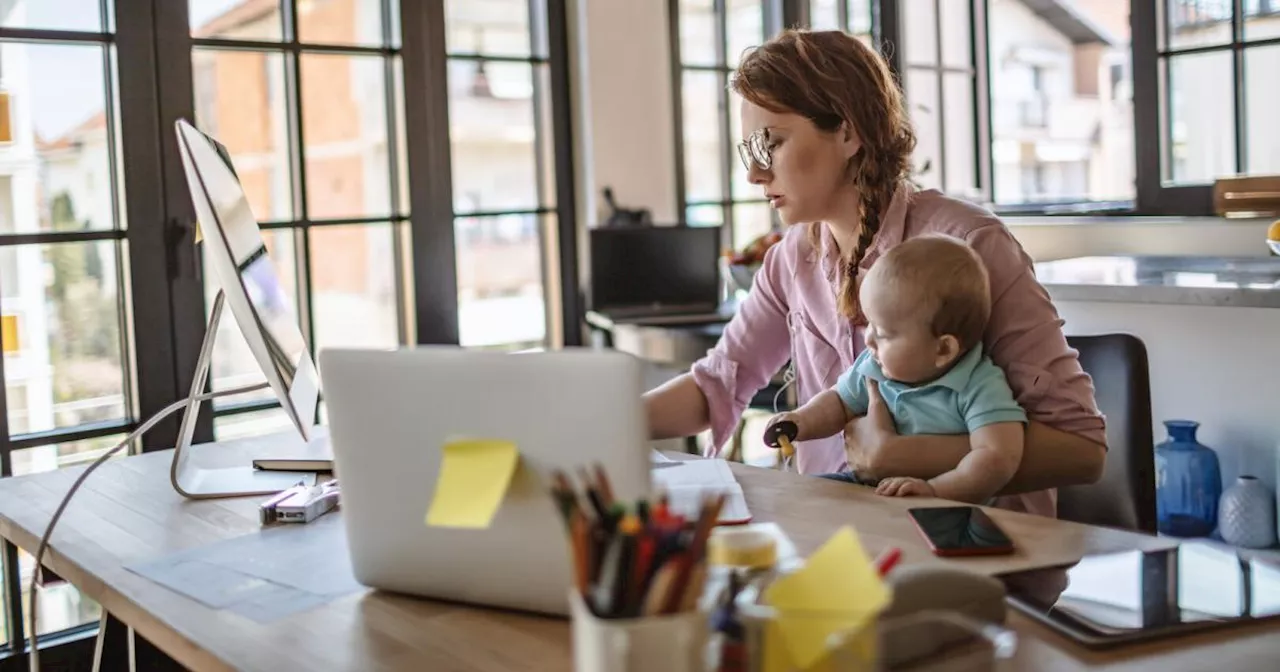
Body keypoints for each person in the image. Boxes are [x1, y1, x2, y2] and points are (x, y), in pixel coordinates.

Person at [643, 29, 1106, 517]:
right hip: (844, 540)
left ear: (847, 132)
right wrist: (600, 419)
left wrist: (903, 458)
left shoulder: (969, 246)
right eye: (750, 153)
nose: (755, 175)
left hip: (977, 556)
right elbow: (717, 383)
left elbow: (1083, 451)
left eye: (771, 144)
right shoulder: (790, 260)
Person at [762, 235, 1026, 506]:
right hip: (868, 486)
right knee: (804, 500)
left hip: (944, 504)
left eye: (884, 333)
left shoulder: (979, 385)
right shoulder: (874, 366)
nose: (868, 340)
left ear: (943, 349)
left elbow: (996, 456)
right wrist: (799, 422)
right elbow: (838, 403)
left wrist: (934, 490)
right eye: (870, 326)